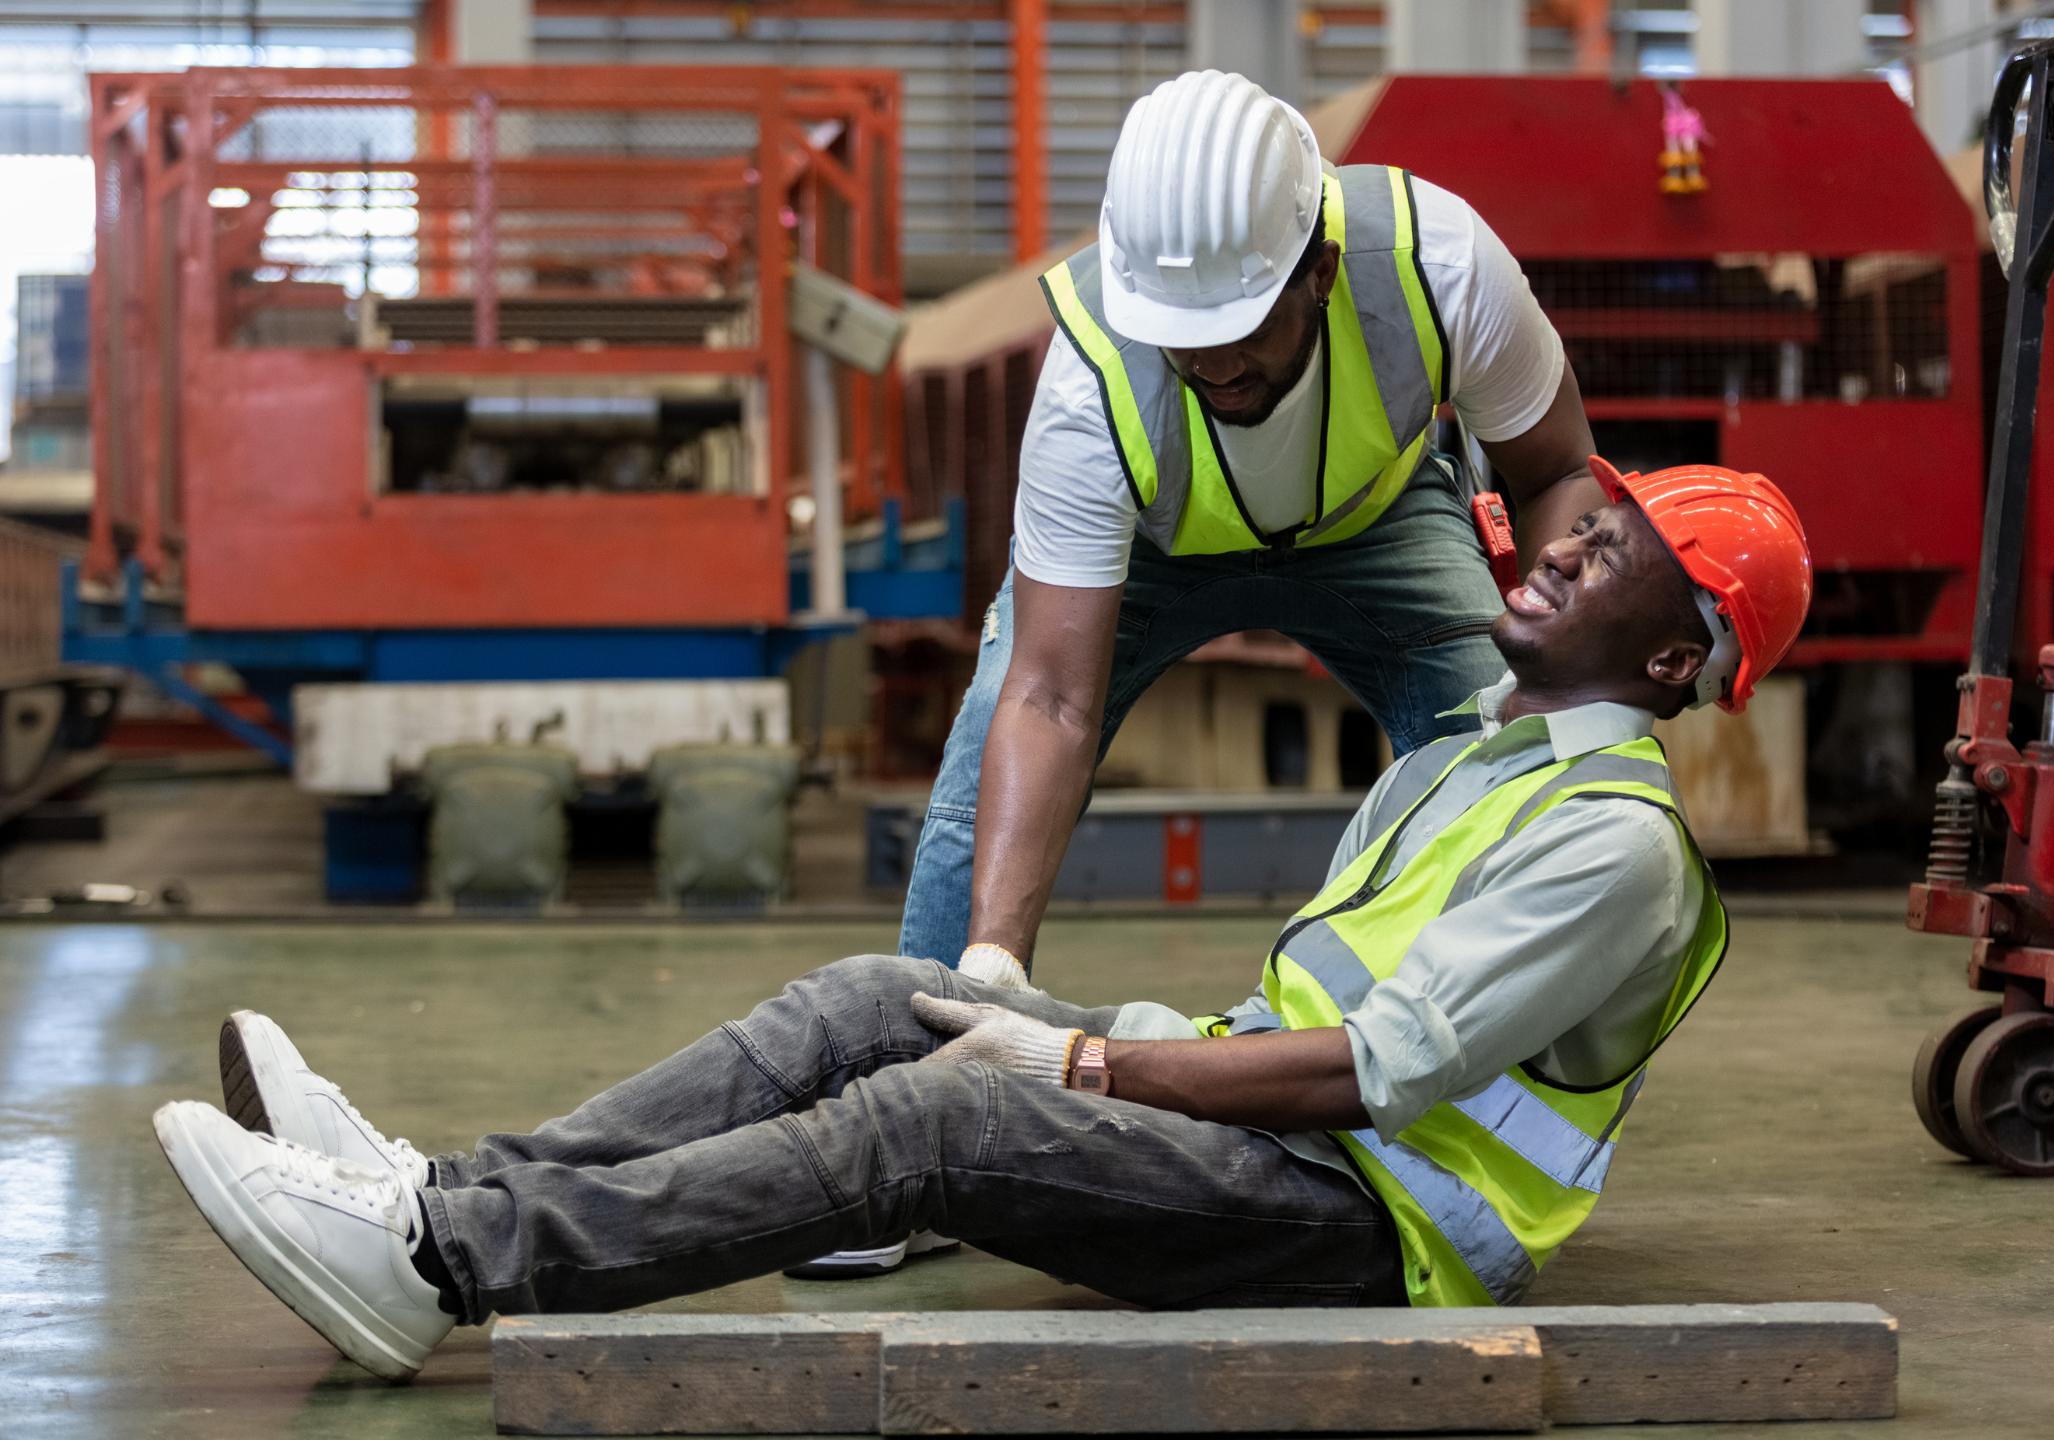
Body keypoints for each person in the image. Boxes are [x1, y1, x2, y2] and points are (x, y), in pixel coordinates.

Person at [151, 458, 1810, 1383]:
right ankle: (436, 1194)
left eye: (1616, 555)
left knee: (932, 1122)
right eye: (1590, 525)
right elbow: (1285, 1032)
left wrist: (1082, 1062)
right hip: (1285, 1150)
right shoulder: (1477, 767)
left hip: (1372, 1232)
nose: (1563, 547)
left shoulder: (1613, 852)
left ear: (1677, 664)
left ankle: (442, 1264)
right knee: (892, 998)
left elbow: (1367, 1077)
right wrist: (1103, 1041)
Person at [905, 67, 1603, 988]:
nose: (1211, 358)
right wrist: (990, 965)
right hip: (1150, 556)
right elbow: (1052, 702)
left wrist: (1556, 676)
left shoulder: (1438, 264)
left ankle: (1488, 1025)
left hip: (1377, 524)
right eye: (1179, 328)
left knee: (1498, 740)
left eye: (1241, 322)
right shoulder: (1089, 388)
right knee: (982, 787)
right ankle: (927, 1050)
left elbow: (1557, 470)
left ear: (1320, 269)